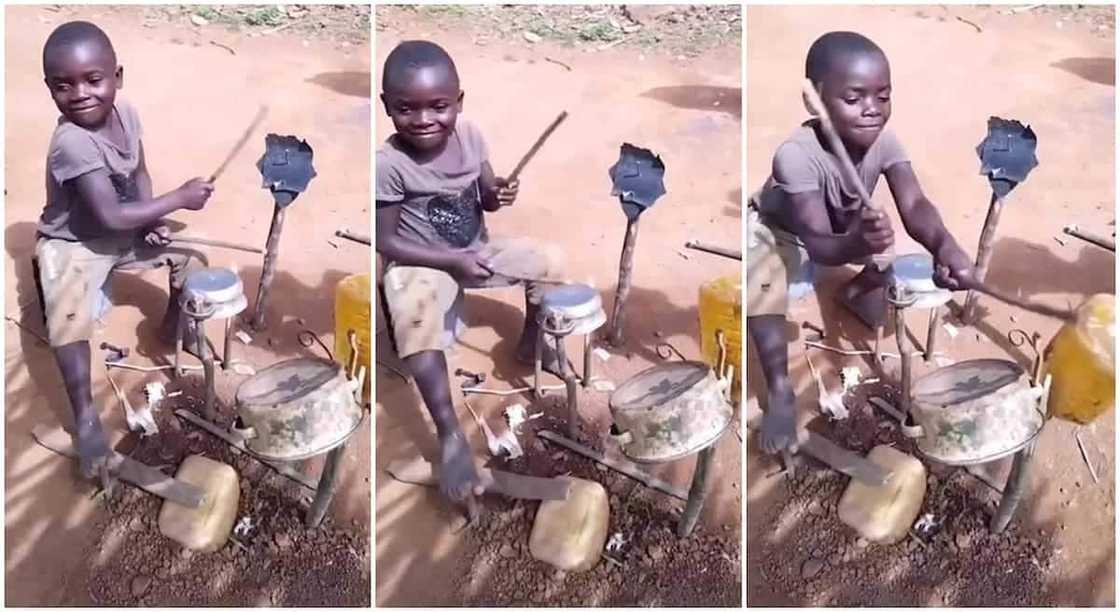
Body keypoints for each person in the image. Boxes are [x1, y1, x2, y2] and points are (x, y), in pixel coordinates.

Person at [746, 31, 976, 454]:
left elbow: (915, 204)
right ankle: (780, 390)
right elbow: (816, 244)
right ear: (813, 100)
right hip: (786, 231)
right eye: (854, 99)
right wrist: (856, 243)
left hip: (845, 225)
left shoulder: (885, 141)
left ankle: (854, 292)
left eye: (883, 96)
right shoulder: (794, 155)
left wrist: (945, 245)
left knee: (888, 261)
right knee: (762, 287)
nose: (872, 110)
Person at [375, 40, 563, 511]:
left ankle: (532, 341)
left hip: (475, 253)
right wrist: (451, 263)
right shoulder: (388, 165)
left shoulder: (472, 136)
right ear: (387, 108)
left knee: (551, 262)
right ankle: (451, 436)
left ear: (459, 102)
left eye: (439, 107)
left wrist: (499, 193)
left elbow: (485, 195)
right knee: (414, 314)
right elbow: (387, 242)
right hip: (422, 264)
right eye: (406, 109)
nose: (423, 120)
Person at [36, 21, 214, 480]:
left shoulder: (127, 114)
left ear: (118, 76)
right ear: (50, 89)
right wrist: (177, 200)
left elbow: (139, 176)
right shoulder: (72, 142)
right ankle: (86, 418)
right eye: (64, 85)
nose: (80, 94)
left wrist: (153, 218)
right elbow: (109, 217)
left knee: (192, 260)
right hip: (75, 242)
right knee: (68, 321)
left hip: (121, 231)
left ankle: (178, 327)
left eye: (93, 80)